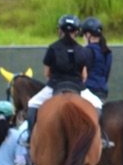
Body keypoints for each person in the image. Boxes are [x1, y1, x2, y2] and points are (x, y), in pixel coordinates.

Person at [23, 14, 103, 144]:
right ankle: (99, 137)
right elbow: (84, 76)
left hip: (55, 86)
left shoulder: (53, 48)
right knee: (98, 104)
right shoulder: (83, 50)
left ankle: (30, 137)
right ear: (77, 31)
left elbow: (47, 73)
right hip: (78, 87)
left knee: (32, 103)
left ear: (60, 30)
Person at [82, 17, 112, 101]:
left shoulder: (87, 51)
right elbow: (106, 74)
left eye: (83, 36)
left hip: (88, 90)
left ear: (88, 35)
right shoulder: (107, 52)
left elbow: (82, 74)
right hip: (102, 90)